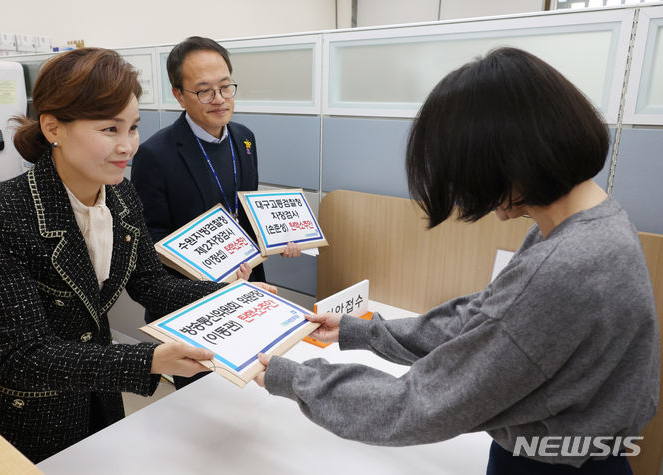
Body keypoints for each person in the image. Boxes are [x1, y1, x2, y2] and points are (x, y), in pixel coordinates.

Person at [254, 47, 659, 474]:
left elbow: (418, 404)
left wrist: (296, 379)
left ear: (510, 156)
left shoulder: (568, 264)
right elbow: (484, 316)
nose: (473, 194)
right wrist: (361, 331)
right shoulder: (591, 223)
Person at [0, 47, 274, 463]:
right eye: (109, 129)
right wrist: (151, 360)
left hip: (95, 386)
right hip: (21, 404)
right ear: (53, 127)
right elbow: (21, 354)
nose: (128, 146)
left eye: (133, 127)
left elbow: (150, 283)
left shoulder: (121, 195)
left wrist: (229, 297)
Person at [131, 36, 299, 389]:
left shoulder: (244, 138)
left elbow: (246, 210)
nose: (219, 99)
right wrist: (209, 275)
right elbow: (151, 239)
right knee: (202, 397)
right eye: (204, 91)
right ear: (179, 94)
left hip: (247, 283)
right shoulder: (155, 154)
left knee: (254, 384)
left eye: (225, 86)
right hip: (192, 302)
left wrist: (279, 237)